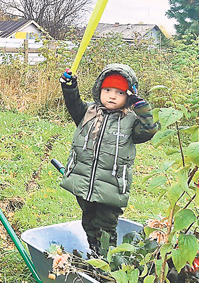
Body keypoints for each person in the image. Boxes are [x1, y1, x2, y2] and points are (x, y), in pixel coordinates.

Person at [59, 64, 158, 257]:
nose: (112, 96)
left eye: (119, 92)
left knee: (106, 227)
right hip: (84, 184)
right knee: (89, 221)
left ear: (129, 96)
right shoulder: (88, 113)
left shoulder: (130, 122)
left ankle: (107, 261)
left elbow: (149, 130)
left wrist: (141, 107)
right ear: (99, 90)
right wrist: (69, 87)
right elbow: (73, 103)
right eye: (107, 90)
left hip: (111, 187)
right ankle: (95, 253)